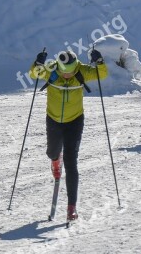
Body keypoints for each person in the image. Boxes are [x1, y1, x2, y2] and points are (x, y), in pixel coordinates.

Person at [30, 48, 107, 222]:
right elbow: (34, 74)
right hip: (54, 120)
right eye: (64, 72)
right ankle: (55, 161)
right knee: (52, 152)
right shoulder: (51, 70)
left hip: (75, 121)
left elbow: (102, 73)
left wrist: (99, 60)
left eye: (70, 72)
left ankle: (71, 207)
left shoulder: (82, 71)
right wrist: (38, 62)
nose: (67, 75)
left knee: (71, 163)